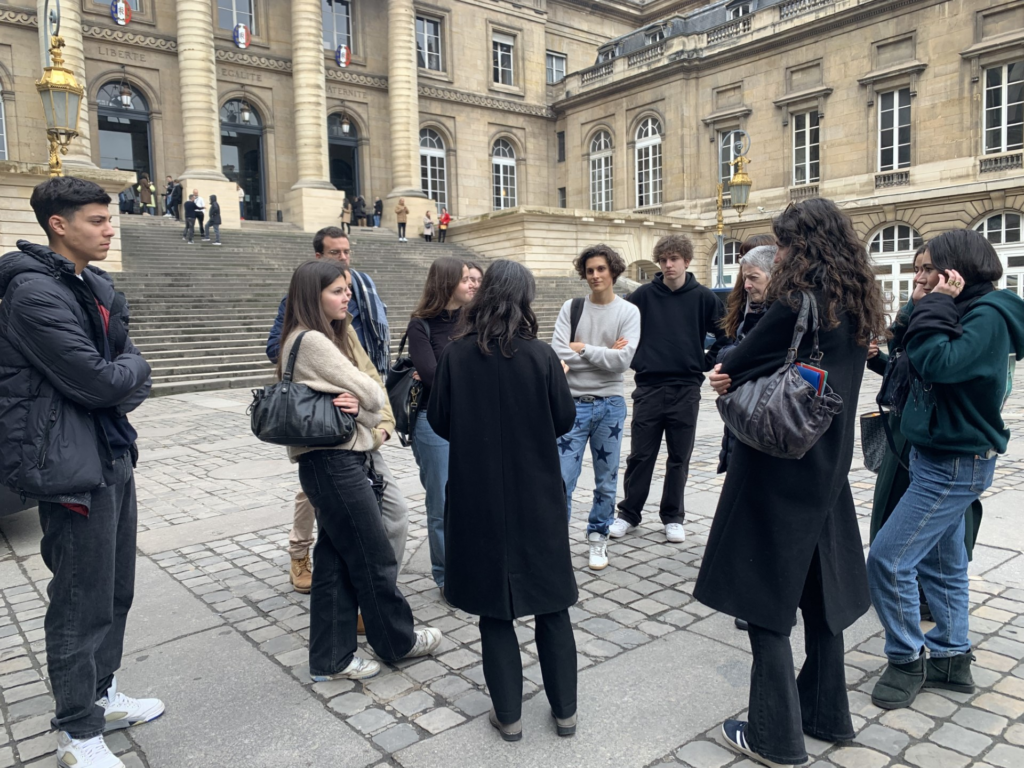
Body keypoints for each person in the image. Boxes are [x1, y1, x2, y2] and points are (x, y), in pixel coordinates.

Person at [695, 198, 889, 768]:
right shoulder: (856, 304)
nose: (777, 254)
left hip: (777, 464)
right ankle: (829, 714)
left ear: (800, 246)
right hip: (827, 466)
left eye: (782, 243)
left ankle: (776, 737)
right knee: (821, 595)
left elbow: (735, 363)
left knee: (765, 600)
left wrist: (725, 371)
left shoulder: (796, 301)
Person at [0, 177, 161, 768]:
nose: (109, 228)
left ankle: (101, 694)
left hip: (111, 451)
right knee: (78, 598)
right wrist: (129, 369)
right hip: (67, 463)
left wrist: (123, 370)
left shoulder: (91, 284)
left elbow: (116, 368)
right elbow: (101, 378)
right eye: (97, 220)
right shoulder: (33, 293)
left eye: (109, 219)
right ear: (58, 225)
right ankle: (76, 730)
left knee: (116, 589)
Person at [866, 229, 1024, 711]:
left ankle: (906, 658)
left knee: (889, 560)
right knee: (943, 563)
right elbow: (908, 360)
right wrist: (918, 305)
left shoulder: (991, 316)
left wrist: (930, 305)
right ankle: (952, 658)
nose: (919, 275)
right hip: (934, 454)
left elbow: (940, 364)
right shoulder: (957, 308)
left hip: (955, 461)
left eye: (926, 268)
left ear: (956, 271)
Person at [428, 259, 579, 741]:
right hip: (536, 492)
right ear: (525, 301)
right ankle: (565, 713)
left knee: (494, 609)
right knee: (553, 604)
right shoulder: (539, 357)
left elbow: (439, 420)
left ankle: (509, 716)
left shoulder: (456, 355)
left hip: (478, 496)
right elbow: (564, 419)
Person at [279, 260, 443, 681]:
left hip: (328, 461)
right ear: (312, 296)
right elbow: (372, 389)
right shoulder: (313, 339)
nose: (346, 296)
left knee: (334, 560)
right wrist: (360, 397)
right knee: (373, 556)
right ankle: (397, 640)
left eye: (347, 289)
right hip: (335, 463)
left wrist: (356, 397)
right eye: (336, 290)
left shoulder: (315, 335)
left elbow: (364, 389)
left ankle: (330, 660)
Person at [266, 228, 400, 597]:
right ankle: (307, 559)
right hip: (328, 434)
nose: (344, 258)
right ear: (317, 258)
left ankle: (357, 608)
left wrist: (382, 420)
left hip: (356, 428)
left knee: (363, 528)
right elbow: (282, 353)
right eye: (334, 253)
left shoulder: (355, 304)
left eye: (347, 251)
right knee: (346, 532)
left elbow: (371, 368)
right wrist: (328, 375)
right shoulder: (306, 326)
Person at [610, 234, 729, 543]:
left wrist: (703, 362)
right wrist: (638, 359)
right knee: (640, 455)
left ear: (686, 261)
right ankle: (628, 514)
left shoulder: (703, 297)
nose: (667, 265)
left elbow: (726, 335)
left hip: (686, 388)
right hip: (648, 386)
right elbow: (620, 329)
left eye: (673, 259)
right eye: (663, 260)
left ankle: (673, 516)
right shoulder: (643, 296)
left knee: (679, 456)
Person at [551, 244, 640, 570]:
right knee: (562, 478)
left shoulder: (628, 312)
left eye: (601, 269)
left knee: (606, 480)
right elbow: (558, 353)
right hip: (571, 404)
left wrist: (583, 349)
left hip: (610, 405)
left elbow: (622, 363)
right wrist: (602, 352)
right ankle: (556, 541)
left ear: (613, 270)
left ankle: (598, 536)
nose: (595, 275)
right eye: (589, 270)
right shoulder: (571, 308)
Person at [716, 241, 777, 634]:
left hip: (766, 421)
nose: (747, 285)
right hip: (743, 418)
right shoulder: (750, 311)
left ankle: (759, 595)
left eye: (753, 278)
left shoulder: (780, 316)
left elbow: (753, 360)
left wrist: (730, 361)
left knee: (759, 509)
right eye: (744, 277)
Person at [407, 257, 474, 594]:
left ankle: (473, 566)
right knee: (442, 503)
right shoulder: (421, 324)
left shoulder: (473, 319)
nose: (472, 284)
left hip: (473, 419)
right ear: (447, 283)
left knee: (473, 497)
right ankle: (448, 577)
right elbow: (432, 377)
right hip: (433, 422)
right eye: (464, 279)